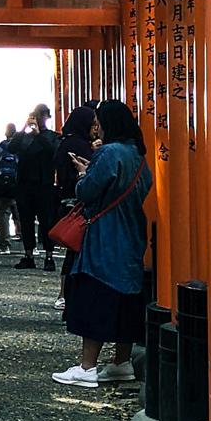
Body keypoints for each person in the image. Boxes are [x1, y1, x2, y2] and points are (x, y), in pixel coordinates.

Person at [52, 98, 153, 389]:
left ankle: (87, 367)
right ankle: (121, 363)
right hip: (131, 232)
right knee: (126, 302)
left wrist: (84, 173)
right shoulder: (137, 154)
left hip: (105, 236)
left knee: (94, 297)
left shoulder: (109, 153)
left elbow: (87, 191)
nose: (96, 129)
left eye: (98, 123)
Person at [49, 100, 99, 311]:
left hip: (65, 201)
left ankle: (65, 294)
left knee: (73, 251)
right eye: (93, 124)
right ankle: (67, 295)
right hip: (78, 203)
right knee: (77, 252)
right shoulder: (79, 145)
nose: (95, 128)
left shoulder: (65, 142)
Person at [11, 104, 60, 270]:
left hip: (44, 184)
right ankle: (28, 254)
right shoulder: (24, 138)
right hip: (24, 184)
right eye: (36, 115)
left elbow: (53, 151)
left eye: (42, 115)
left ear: (47, 117)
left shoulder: (52, 136)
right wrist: (24, 127)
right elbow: (11, 147)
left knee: (47, 221)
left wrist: (39, 135)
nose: (39, 118)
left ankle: (49, 255)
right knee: (26, 221)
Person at [0, 122, 21, 253]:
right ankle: (24, 240)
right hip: (17, 186)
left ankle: (5, 244)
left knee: (3, 215)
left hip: (1, 188)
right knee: (20, 213)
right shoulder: (21, 148)